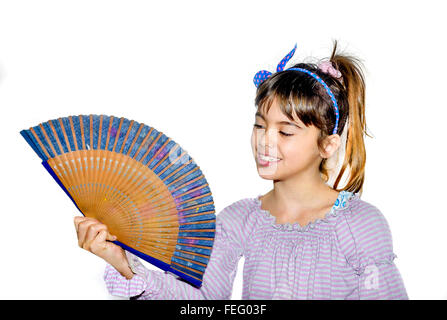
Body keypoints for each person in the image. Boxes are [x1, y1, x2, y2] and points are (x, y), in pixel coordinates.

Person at [74, 41, 408, 299]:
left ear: (327, 145)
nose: (265, 142)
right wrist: (121, 261)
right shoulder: (239, 220)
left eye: (285, 131)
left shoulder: (360, 224)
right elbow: (202, 300)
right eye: (260, 126)